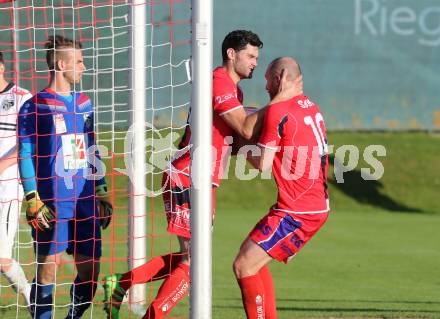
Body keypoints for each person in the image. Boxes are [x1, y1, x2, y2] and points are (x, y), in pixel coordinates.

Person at [103, 30, 302, 319]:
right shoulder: (218, 80)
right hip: (188, 175)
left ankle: (121, 283)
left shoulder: (235, 91)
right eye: (250, 56)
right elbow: (246, 128)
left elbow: (234, 140)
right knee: (195, 262)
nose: (255, 63)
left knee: (194, 258)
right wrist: (280, 101)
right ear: (231, 54)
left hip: (202, 178)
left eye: (257, 57)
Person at [17, 35, 112, 319]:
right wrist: (32, 197)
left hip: (84, 198)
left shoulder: (84, 103)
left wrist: (101, 188)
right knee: (48, 268)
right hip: (52, 200)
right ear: (61, 64)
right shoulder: (36, 105)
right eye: (79, 62)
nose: (84, 68)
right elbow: (24, 152)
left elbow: (91, 145)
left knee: (90, 269)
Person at [232, 57, 330, 319]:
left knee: (244, 266)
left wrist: (237, 144)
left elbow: (262, 163)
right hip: (308, 205)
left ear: (280, 78)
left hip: (299, 212)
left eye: (267, 79)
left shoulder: (279, 111)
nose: (265, 85)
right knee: (252, 260)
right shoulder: (311, 106)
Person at [0, 50, 32, 310]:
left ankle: (32, 299)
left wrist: (2, 165)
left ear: (1, 68)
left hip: (8, 187)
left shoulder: (22, 98)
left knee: (2, 259)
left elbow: (28, 140)